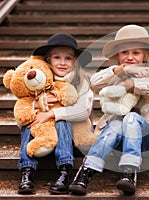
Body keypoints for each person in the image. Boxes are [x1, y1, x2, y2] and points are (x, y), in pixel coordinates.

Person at [68, 24, 149, 195]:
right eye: (124, 52)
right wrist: (120, 71)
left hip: (146, 139)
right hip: (115, 138)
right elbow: (95, 82)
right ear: (117, 55)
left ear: (145, 55)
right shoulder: (113, 73)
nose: (130, 57)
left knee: (131, 118)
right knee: (115, 125)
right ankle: (86, 172)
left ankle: (129, 171)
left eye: (136, 53)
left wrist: (130, 83)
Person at [17, 33, 93, 195]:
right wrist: (35, 105)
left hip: (72, 137)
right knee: (28, 123)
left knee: (61, 121)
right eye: (57, 57)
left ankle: (65, 171)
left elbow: (82, 112)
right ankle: (27, 171)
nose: (62, 63)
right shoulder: (39, 80)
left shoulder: (80, 81)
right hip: (42, 136)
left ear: (75, 61)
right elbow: (21, 115)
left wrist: (51, 113)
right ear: (48, 60)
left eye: (68, 58)